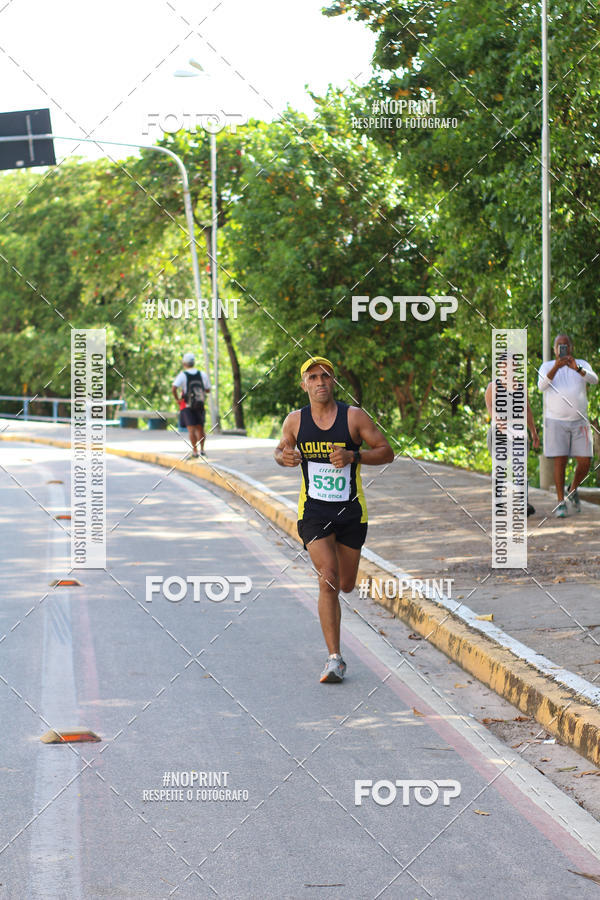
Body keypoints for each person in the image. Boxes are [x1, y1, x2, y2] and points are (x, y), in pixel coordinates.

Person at [274, 357, 394, 683]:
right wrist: (284, 457)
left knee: (345, 584)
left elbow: (386, 451)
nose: (320, 382)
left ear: (334, 381)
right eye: (313, 377)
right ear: (304, 385)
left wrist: (354, 455)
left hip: (351, 512)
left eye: (325, 376)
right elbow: (281, 450)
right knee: (327, 577)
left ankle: (335, 648)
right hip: (313, 512)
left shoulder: (353, 417)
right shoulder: (295, 421)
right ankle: (334, 659)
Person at [538, 334, 597, 517]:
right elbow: (541, 386)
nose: (562, 348)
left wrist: (577, 369)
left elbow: (594, 380)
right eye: (559, 345)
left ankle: (572, 489)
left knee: (585, 461)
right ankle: (560, 502)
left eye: (566, 345)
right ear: (555, 349)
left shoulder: (581, 364)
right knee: (560, 461)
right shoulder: (547, 366)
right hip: (556, 421)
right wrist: (556, 367)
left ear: (571, 347)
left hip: (579, 420)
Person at [485, 355, 540, 516]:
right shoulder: (493, 386)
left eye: (512, 365)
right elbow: (490, 406)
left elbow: (527, 410)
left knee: (520, 467)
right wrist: (498, 421)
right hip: (499, 432)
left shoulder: (521, 387)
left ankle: (523, 503)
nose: (509, 368)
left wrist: (533, 432)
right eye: (505, 365)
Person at [172, 352, 211, 458]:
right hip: (200, 404)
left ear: (184, 363)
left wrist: (178, 400)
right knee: (200, 428)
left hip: (187, 406)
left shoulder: (183, 375)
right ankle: (202, 450)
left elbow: (174, 388)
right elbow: (208, 389)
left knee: (191, 430)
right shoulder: (202, 374)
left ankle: (195, 451)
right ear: (194, 363)